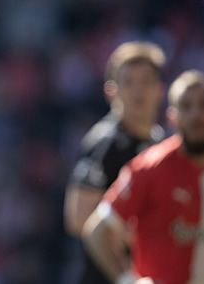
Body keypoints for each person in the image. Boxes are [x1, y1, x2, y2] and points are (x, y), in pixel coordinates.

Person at [82, 69, 204, 284]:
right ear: (172, 117)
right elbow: (97, 231)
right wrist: (128, 281)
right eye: (186, 106)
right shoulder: (148, 167)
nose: (196, 115)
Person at [64, 41, 166, 283]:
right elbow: (78, 218)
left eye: (145, 81)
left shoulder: (160, 141)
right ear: (111, 91)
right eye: (128, 82)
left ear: (160, 89)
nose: (137, 91)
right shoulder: (105, 143)